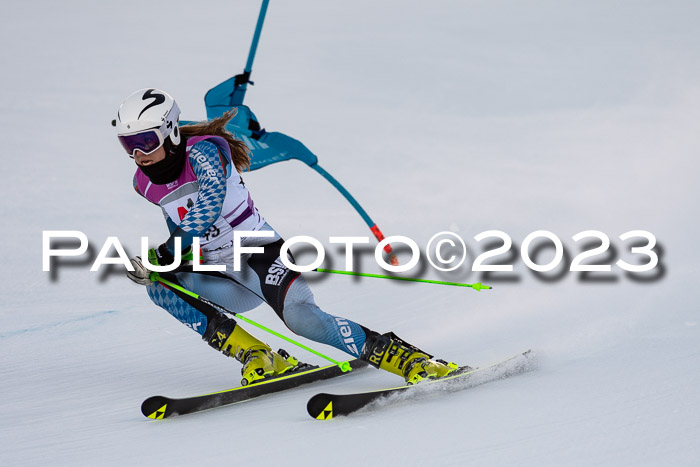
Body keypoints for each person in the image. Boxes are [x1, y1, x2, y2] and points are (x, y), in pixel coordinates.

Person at [116, 88, 460, 385]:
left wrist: (169, 249)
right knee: (159, 286)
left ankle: (409, 359)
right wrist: (163, 263)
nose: (138, 155)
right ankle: (257, 355)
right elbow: (177, 224)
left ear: (171, 132)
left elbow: (209, 203)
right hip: (217, 270)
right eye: (128, 145)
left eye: (146, 141)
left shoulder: (203, 152)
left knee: (302, 319)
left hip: (258, 254)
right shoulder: (142, 183)